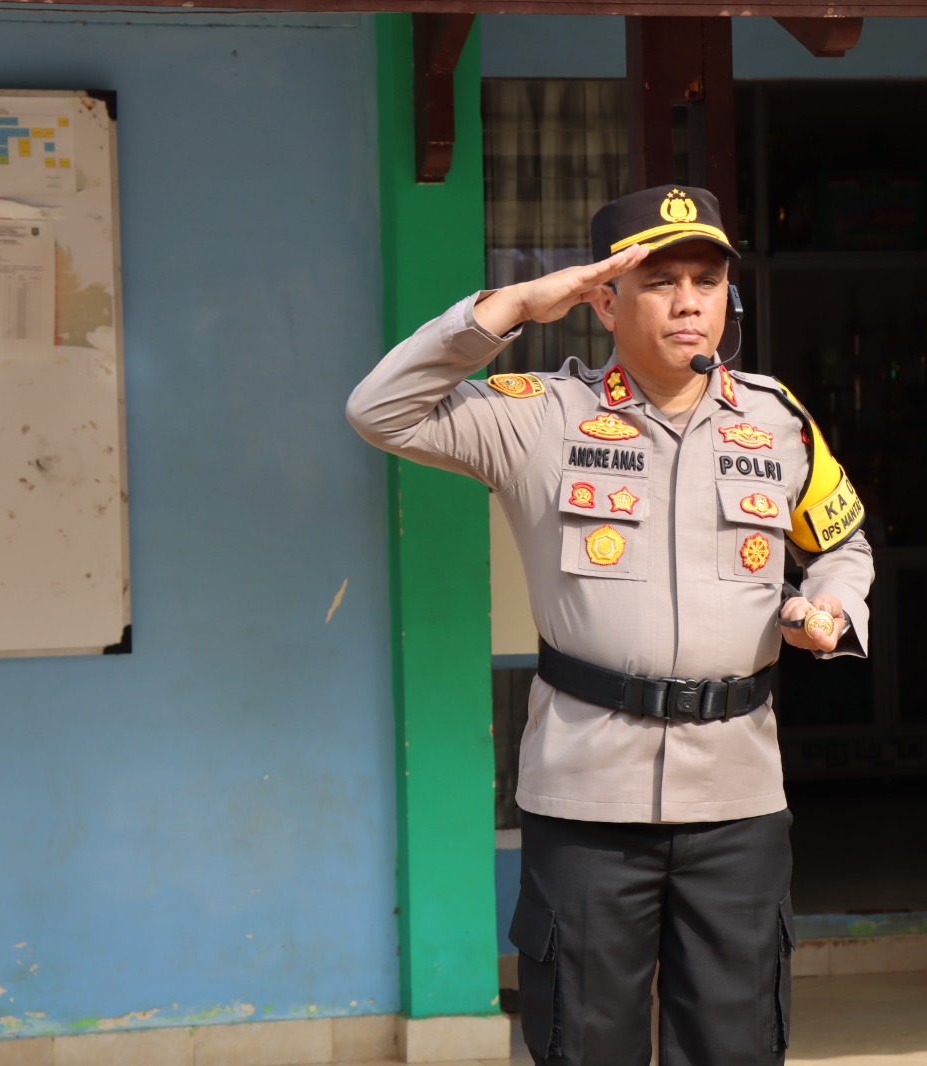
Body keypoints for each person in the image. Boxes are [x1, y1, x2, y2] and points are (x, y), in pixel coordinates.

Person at [346, 184, 874, 1066]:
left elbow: (845, 544)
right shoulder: (539, 419)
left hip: (737, 799)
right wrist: (510, 306)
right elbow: (380, 410)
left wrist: (831, 609)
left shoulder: (777, 423)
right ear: (603, 299)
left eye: (706, 280)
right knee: (587, 1043)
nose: (689, 302)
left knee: (738, 1044)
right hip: (588, 797)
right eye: (659, 280)